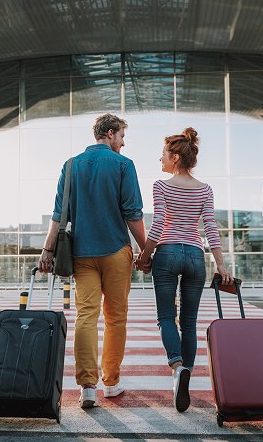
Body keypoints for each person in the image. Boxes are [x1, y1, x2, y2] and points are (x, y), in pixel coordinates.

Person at [38, 113, 147, 409]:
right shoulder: (124, 165)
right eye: (122, 136)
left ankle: (88, 386)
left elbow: (59, 214)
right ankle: (110, 382)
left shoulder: (71, 165)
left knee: (86, 316)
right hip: (115, 253)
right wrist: (146, 249)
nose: (123, 143)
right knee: (115, 319)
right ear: (110, 134)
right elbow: (133, 213)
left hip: (81, 255)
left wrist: (47, 251)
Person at [135, 127, 232, 412]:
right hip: (194, 255)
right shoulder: (205, 189)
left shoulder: (161, 186)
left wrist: (145, 255)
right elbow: (210, 227)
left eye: (163, 155)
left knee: (167, 317)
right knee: (189, 322)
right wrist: (221, 264)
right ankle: (185, 372)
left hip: (166, 254)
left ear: (175, 157)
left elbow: (159, 222)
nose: (160, 160)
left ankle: (177, 368)